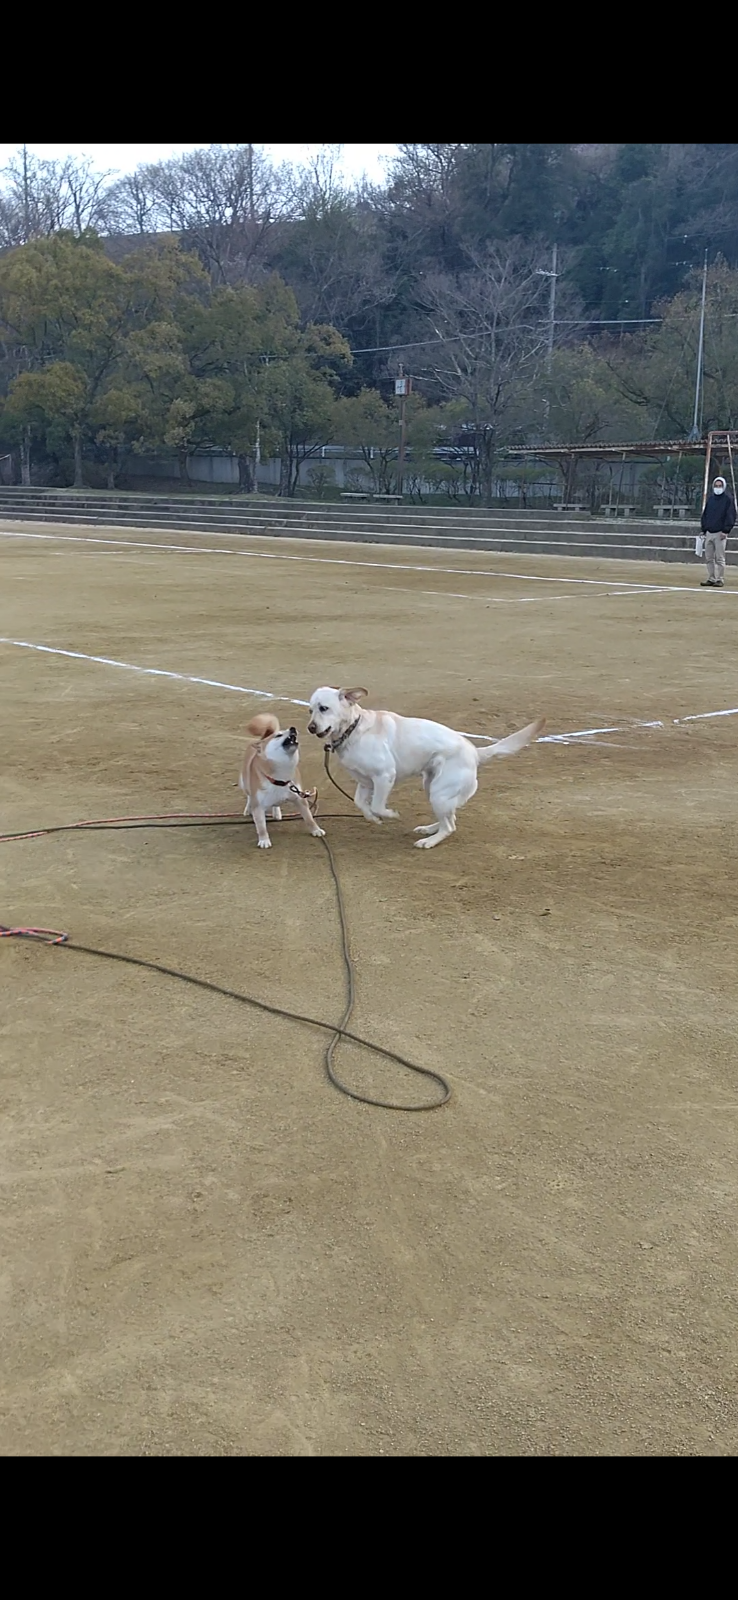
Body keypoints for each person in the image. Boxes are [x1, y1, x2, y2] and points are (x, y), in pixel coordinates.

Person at [700, 475, 736, 587]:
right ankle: (711, 577)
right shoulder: (710, 499)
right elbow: (705, 515)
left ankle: (720, 578)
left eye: (720, 486)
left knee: (720, 558)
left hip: (720, 533)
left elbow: (730, 516)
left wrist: (726, 530)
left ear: (724, 486)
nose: (718, 487)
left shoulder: (728, 499)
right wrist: (703, 529)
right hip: (709, 532)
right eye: (716, 485)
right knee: (709, 558)